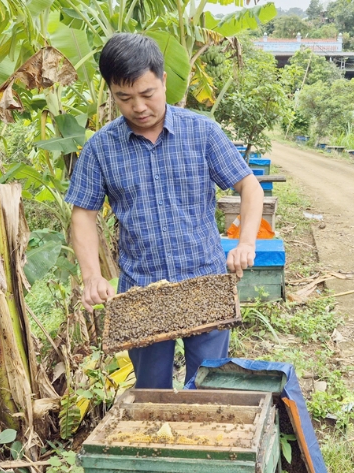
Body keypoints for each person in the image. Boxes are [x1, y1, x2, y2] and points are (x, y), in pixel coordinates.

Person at [65, 33, 264, 389]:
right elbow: (83, 215)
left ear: (163, 81)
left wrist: (246, 242)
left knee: (208, 386)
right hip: (141, 290)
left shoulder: (202, 132)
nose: (138, 107)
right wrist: (91, 276)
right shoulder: (100, 149)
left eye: (147, 94)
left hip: (204, 282)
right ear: (112, 92)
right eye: (124, 98)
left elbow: (249, 186)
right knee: (151, 392)